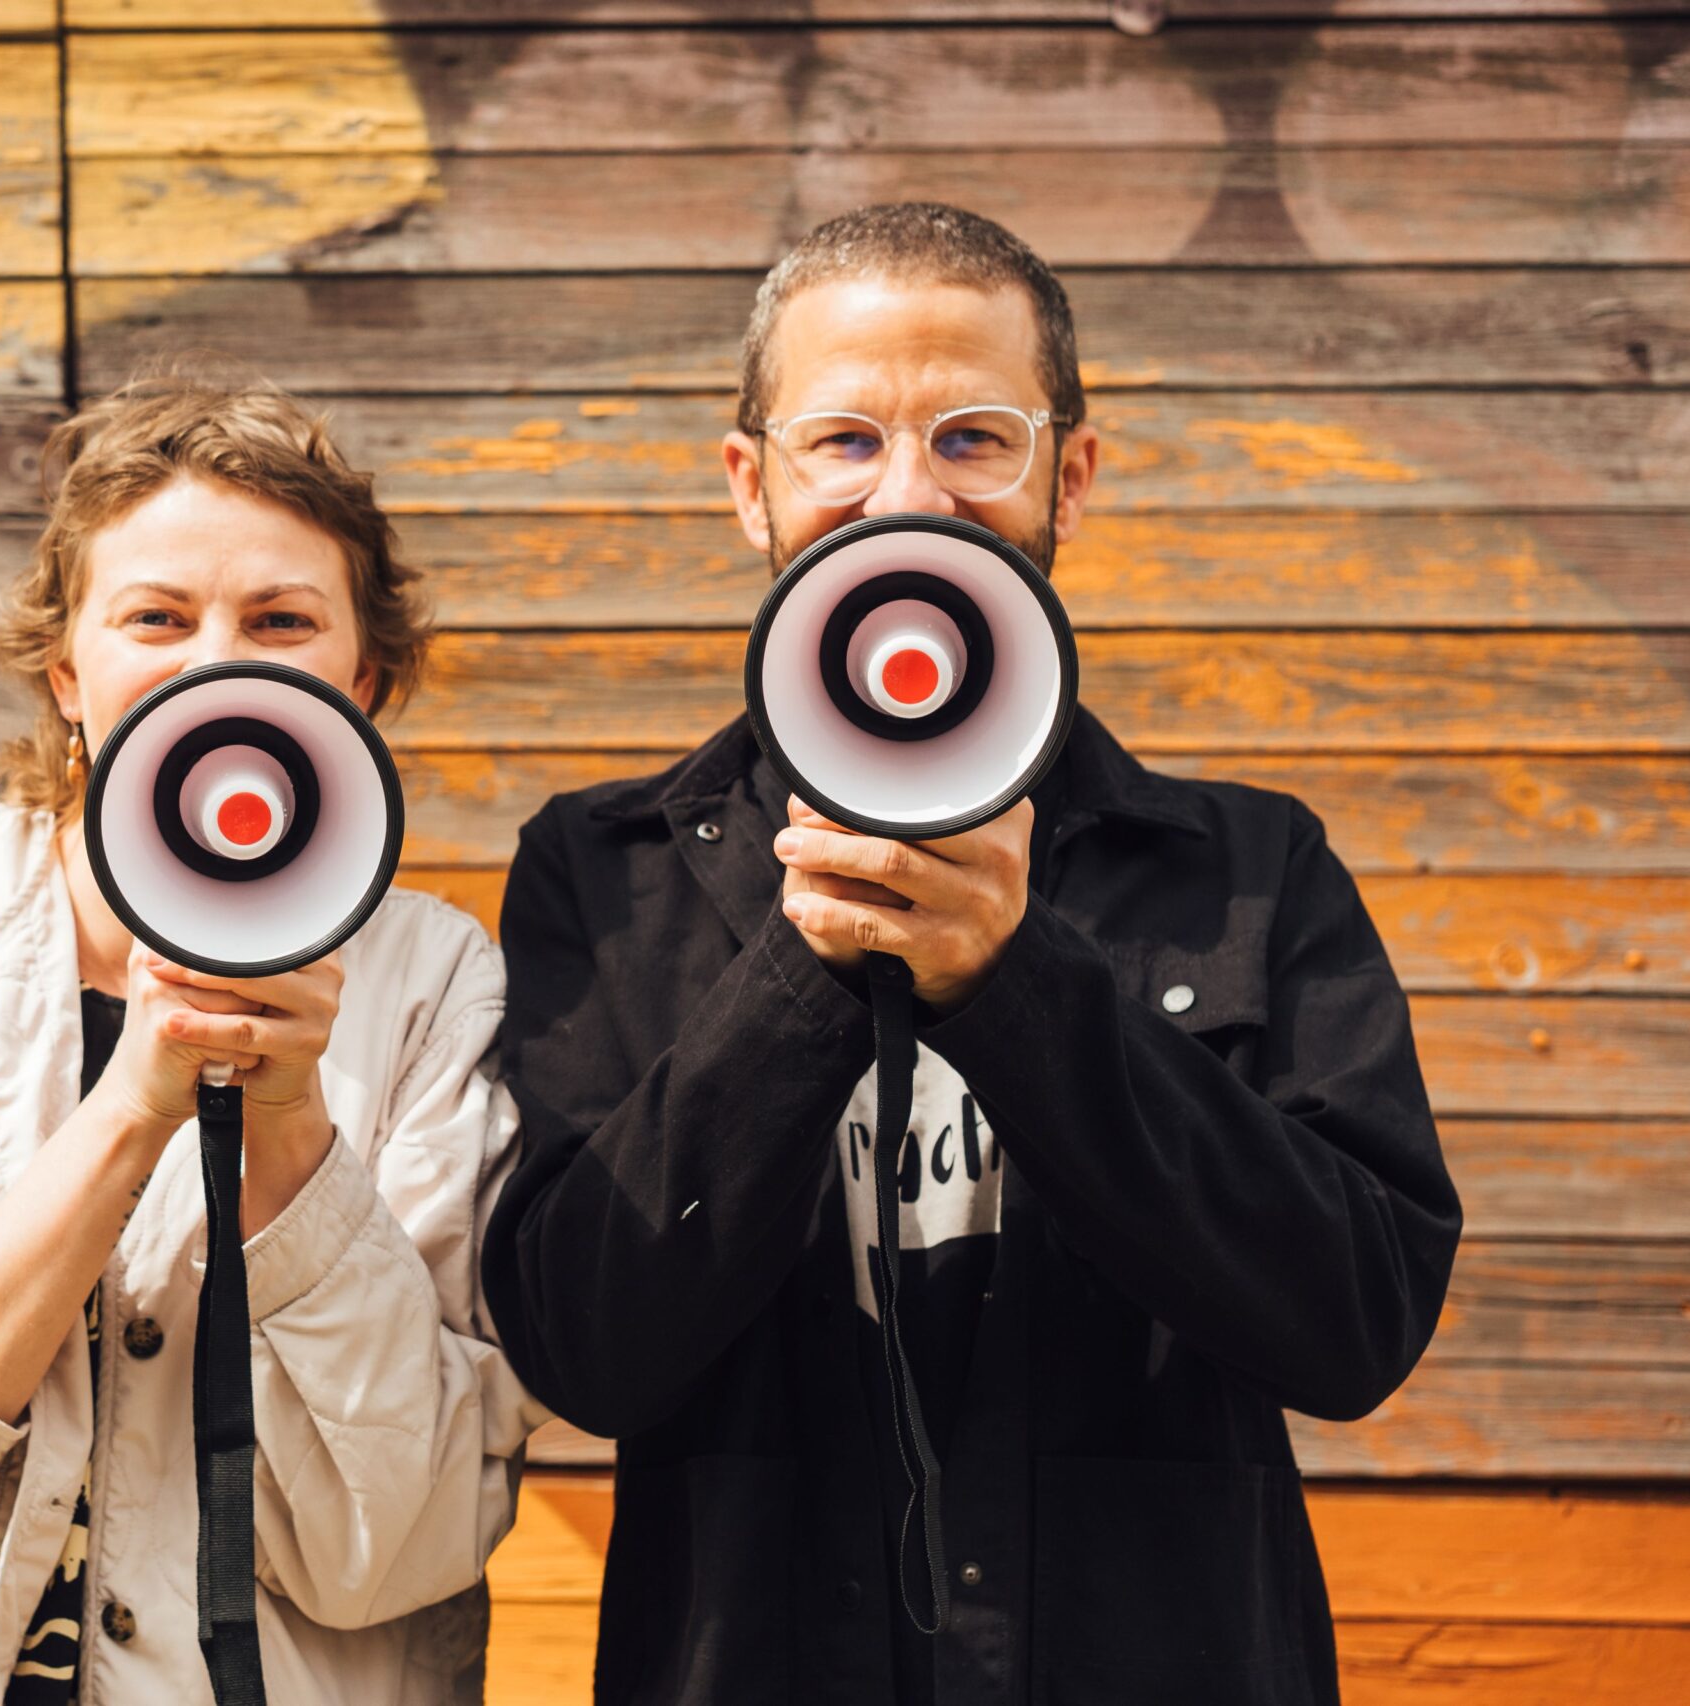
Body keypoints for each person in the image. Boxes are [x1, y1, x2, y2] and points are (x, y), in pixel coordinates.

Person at [479, 203, 1463, 1705]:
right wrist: (808, 969)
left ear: (1070, 473)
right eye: (846, 442)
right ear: (753, 487)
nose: (909, 501)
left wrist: (1022, 984)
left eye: (972, 439)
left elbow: (1354, 1325)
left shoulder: (1249, 870)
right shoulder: (600, 876)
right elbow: (585, 1348)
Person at [0, 376, 544, 1706]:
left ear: (362, 680)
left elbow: (390, 1551)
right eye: (157, 618)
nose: (219, 664)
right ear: (71, 671)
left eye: (281, 620)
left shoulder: (428, 985)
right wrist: (134, 1105)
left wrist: (293, 1129)